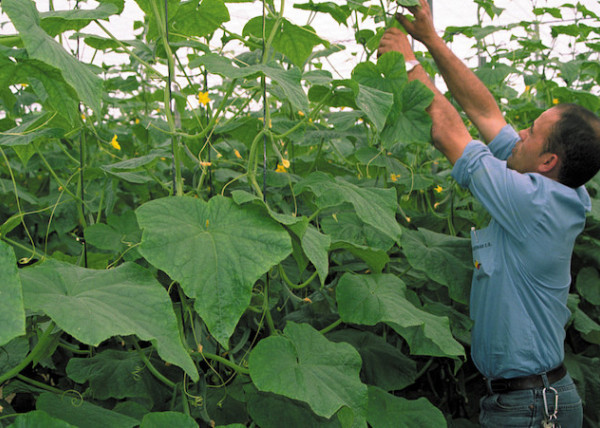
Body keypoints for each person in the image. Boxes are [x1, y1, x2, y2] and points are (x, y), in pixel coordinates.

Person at [377, 1, 600, 426]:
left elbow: (448, 132)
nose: (520, 133)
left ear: (548, 161)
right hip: (530, 401)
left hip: (531, 409)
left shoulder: (533, 203)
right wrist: (430, 40)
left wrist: (407, 63)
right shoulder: (559, 187)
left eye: (531, 132)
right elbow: (486, 113)